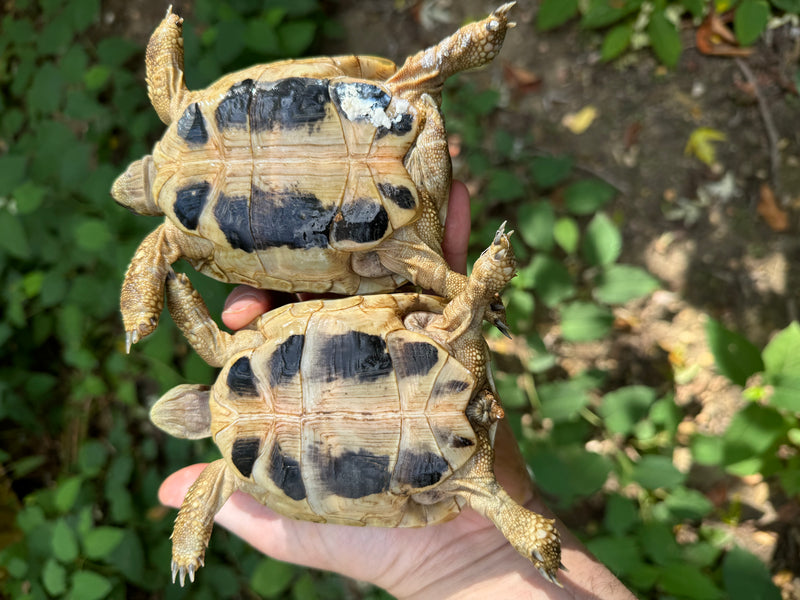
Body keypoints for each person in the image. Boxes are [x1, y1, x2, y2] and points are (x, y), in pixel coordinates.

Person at [158, 182, 634, 599]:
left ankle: (522, 540)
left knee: (486, 494)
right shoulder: (228, 358)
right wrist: (175, 284)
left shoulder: (233, 475)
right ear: (192, 387)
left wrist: (186, 545)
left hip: (453, 464)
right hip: (444, 354)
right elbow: (199, 329)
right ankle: (483, 284)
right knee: (460, 314)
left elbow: (200, 501)